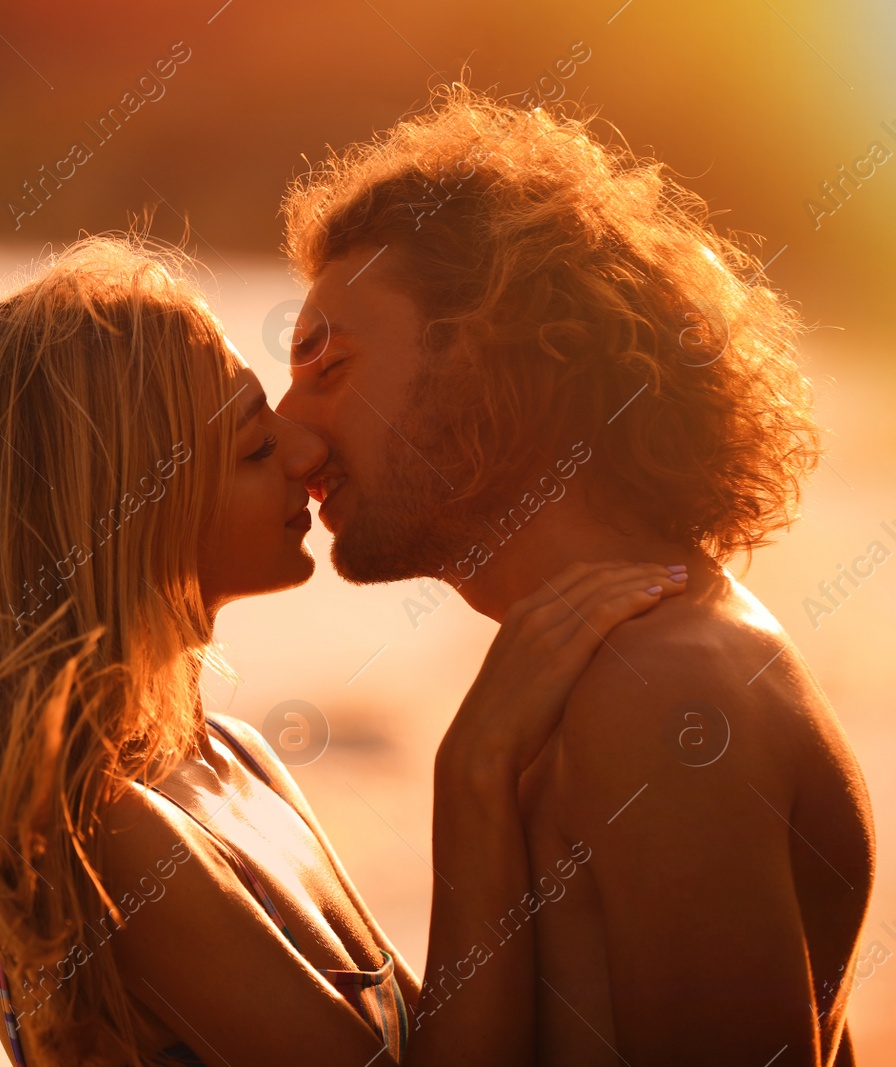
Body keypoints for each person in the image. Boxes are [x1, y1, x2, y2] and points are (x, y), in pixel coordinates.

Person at [0, 235, 686, 1065]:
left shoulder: (234, 757)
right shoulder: (105, 838)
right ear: (125, 518)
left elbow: (438, 1040)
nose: (307, 454)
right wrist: (475, 771)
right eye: (255, 449)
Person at [275, 86, 875, 1065]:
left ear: (498, 349)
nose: (289, 428)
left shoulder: (663, 689)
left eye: (327, 365)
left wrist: (468, 782)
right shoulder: (638, 659)